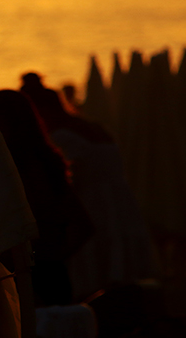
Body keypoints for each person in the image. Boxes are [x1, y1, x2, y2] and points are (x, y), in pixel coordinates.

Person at [19, 73, 157, 300]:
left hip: (92, 206)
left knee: (93, 270)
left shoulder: (61, 138)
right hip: (121, 204)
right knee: (120, 270)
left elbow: (67, 181)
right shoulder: (96, 128)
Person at [0, 90, 93, 306]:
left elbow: (81, 225)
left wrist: (40, 259)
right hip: (44, 274)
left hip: (35, 278)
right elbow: (83, 225)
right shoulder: (40, 161)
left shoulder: (26, 168)